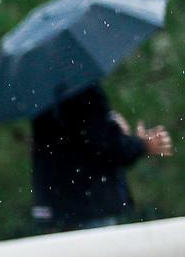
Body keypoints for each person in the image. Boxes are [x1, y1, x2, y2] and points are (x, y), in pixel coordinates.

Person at [30, 85, 172, 233]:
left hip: (54, 209)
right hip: (89, 206)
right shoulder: (81, 87)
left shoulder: (42, 93)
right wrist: (141, 144)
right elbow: (107, 144)